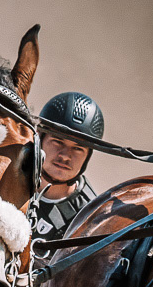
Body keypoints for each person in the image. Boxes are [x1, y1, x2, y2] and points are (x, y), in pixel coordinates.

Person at [31, 91, 106, 238]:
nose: (65, 156)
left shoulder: (90, 220)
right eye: (58, 141)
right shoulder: (5, 181)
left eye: (78, 148)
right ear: (39, 138)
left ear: (88, 155)